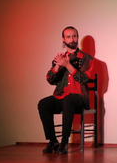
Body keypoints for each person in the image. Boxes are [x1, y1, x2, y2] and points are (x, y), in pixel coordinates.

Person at [38, 26, 94, 155]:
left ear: (77, 37)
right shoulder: (59, 58)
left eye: (74, 36)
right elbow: (50, 80)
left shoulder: (87, 58)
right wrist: (58, 65)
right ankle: (53, 141)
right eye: (68, 36)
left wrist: (68, 65)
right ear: (63, 39)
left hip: (79, 97)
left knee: (68, 100)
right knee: (43, 103)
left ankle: (64, 142)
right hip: (61, 96)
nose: (72, 39)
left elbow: (84, 79)